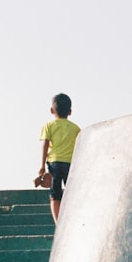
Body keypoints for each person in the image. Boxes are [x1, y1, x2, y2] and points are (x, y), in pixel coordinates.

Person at [37, 93, 80, 223]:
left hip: (54, 163)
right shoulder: (76, 128)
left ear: (51, 110)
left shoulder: (48, 126)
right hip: (70, 164)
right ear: (70, 112)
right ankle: (72, 219)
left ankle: (58, 223)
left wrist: (42, 166)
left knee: (55, 194)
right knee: (70, 192)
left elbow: (45, 145)